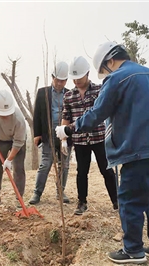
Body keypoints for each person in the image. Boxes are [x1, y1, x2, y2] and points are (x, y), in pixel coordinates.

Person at [56, 41, 149, 264]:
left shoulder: (117, 78)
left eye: (105, 70)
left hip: (139, 149)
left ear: (110, 61)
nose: (105, 74)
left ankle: (133, 250)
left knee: (130, 198)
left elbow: (97, 113)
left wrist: (69, 128)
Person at [60, 56, 118, 215]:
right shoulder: (68, 96)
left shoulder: (99, 90)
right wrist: (64, 139)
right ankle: (82, 202)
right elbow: (66, 117)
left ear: (87, 74)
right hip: (79, 140)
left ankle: (116, 200)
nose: (76, 81)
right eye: (74, 79)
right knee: (82, 171)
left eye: (79, 78)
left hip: (99, 137)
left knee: (106, 170)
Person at [28, 61, 72, 205]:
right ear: (52, 77)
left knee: (64, 164)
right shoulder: (43, 93)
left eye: (63, 80)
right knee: (45, 163)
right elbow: (37, 115)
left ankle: (61, 192)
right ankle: (37, 193)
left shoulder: (70, 94)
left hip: (65, 133)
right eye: (57, 79)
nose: (60, 83)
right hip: (48, 132)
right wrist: (37, 134)